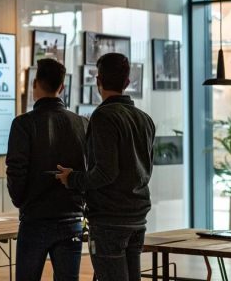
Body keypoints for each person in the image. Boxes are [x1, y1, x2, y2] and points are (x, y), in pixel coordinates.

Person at [55, 53, 156, 281]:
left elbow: (105, 173)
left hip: (110, 220)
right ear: (127, 82)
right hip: (137, 217)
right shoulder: (145, 119)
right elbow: (146, 170)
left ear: (98, 81)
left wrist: (72, 178)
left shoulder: (103, 116)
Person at [6, 58, 88, 281]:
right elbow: (89, 170)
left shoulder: (23, 124)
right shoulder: (82, 124)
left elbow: (16, 169)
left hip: (35, 218)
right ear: (62, 87)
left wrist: (20, 201)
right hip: (72, 218)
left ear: (35, 83)